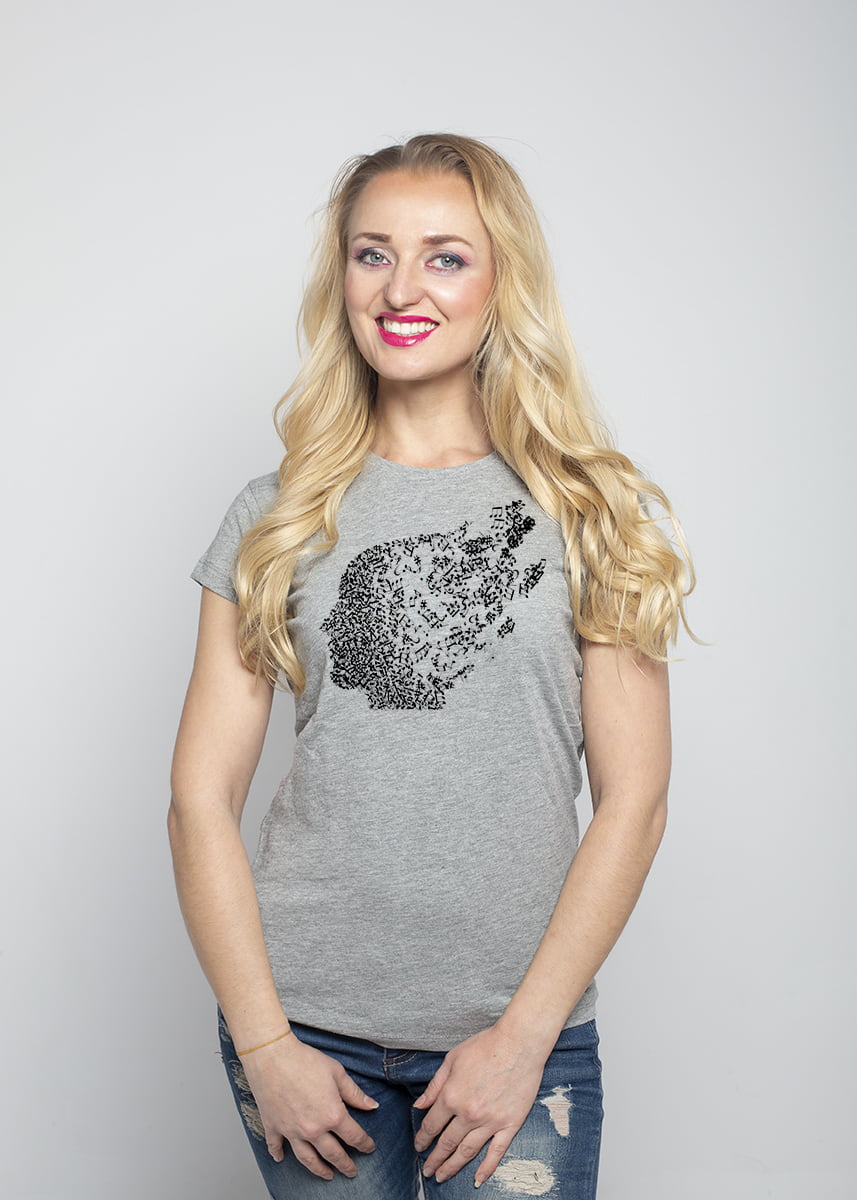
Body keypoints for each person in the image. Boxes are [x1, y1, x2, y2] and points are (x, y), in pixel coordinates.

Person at [169, 133, 693, 1199]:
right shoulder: (276, 515)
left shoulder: (593, 514)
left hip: (519, 1036)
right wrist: (265, 1045)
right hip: (306, 1035)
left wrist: (524, 1037)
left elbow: (633, 802)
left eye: (445, 257)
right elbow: (197, 799)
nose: (401, 288)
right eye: (373, 254)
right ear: (342, 277)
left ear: (503, 281)